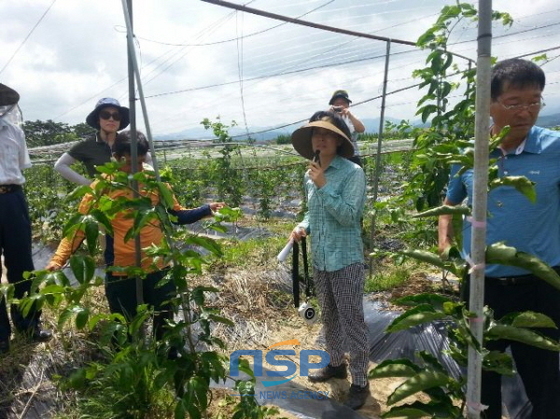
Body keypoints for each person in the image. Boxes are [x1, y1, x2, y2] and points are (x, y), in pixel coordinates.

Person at [437, 58, 560, 419]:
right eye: (515, 102)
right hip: (480, 283)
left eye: (535, 101)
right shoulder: (469, 153)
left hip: (539, 282)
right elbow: (449, 202)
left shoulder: (555, 149)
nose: (527, 111)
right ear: (488, 105)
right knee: (479, 376)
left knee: (544, 378)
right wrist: (445, 243)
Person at [46, 131, 224, 346]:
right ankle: (128, 367)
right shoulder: (102, 187)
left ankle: (165, 355)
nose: (134, 169)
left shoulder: (155, 182)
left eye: (139, 163)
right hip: (122, 269)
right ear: (115, 156)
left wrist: (205, 209)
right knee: (124, 327)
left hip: (157, 264)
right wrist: (58, 259)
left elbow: (176, 215)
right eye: (128, 162)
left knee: (164, 320)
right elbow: (80, 227)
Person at [289, 110, 369, 410]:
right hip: (321, 257)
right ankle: (336, 363)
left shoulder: (352, 173)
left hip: (345, 259)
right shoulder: (310, 173)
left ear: (339, 140)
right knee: (330, 317)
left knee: (353, 321)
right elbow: (313, 212)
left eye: (327, 134)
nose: (320, 138)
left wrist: (323, 184)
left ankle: (361, 380)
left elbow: (349, 216)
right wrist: (302, 226)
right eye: (316, 134)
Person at [0, 84, 51, 354]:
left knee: (23, 264)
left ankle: (29, 325)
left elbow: (19, 166)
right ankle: (0, 336)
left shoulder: (14, 132)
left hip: (12, 198)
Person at [54, 97, 151, 186]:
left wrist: (146, 180)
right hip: (101, 199)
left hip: (129, 195)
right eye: (105, 115)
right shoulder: (87, 145)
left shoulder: (127, 142)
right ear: (98, 120)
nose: (111, 119)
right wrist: (88, 184)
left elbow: (148, 159)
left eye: (116, 116)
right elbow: (60, 165)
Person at [328, 89, 366, 166]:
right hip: (334, 157)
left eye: (343, 103)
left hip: (352, 155)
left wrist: (350, 115)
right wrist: (327, 114)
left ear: (348, 105)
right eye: (337, 104)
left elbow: (361, 129)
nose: (340, 106)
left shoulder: (352, 118)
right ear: (333, 106)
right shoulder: (328, 118)